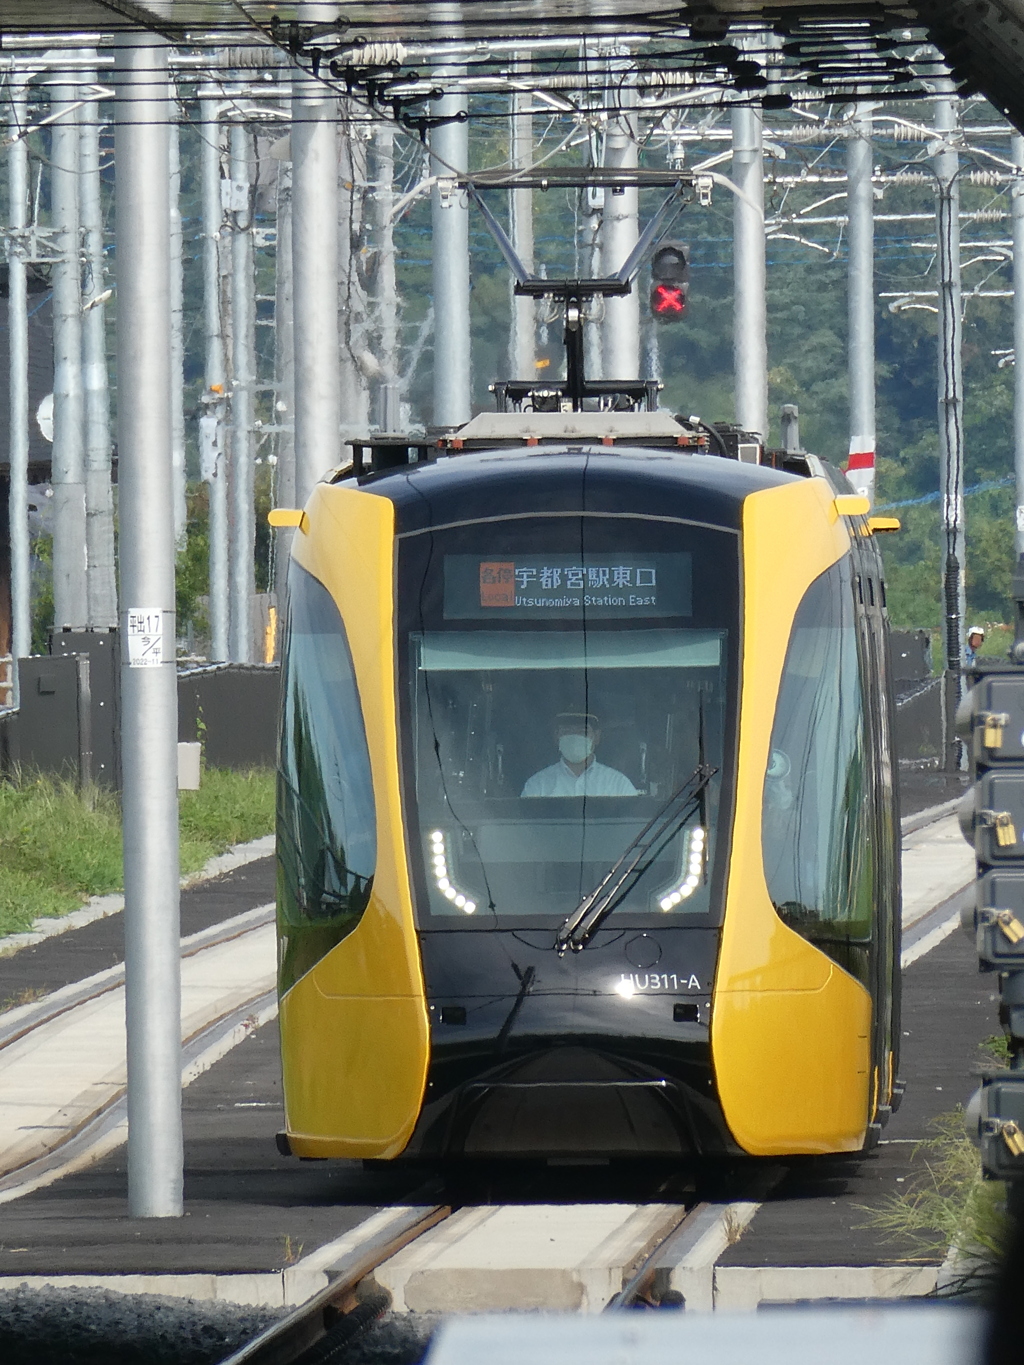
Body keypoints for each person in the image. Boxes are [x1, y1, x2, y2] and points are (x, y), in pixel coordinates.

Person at [521, 712, 638, 797]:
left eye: (583, 731)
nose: (574, 737)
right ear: (556, 737)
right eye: (567, 731)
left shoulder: (619, 785)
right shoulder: (537, 786)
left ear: (597, 737)